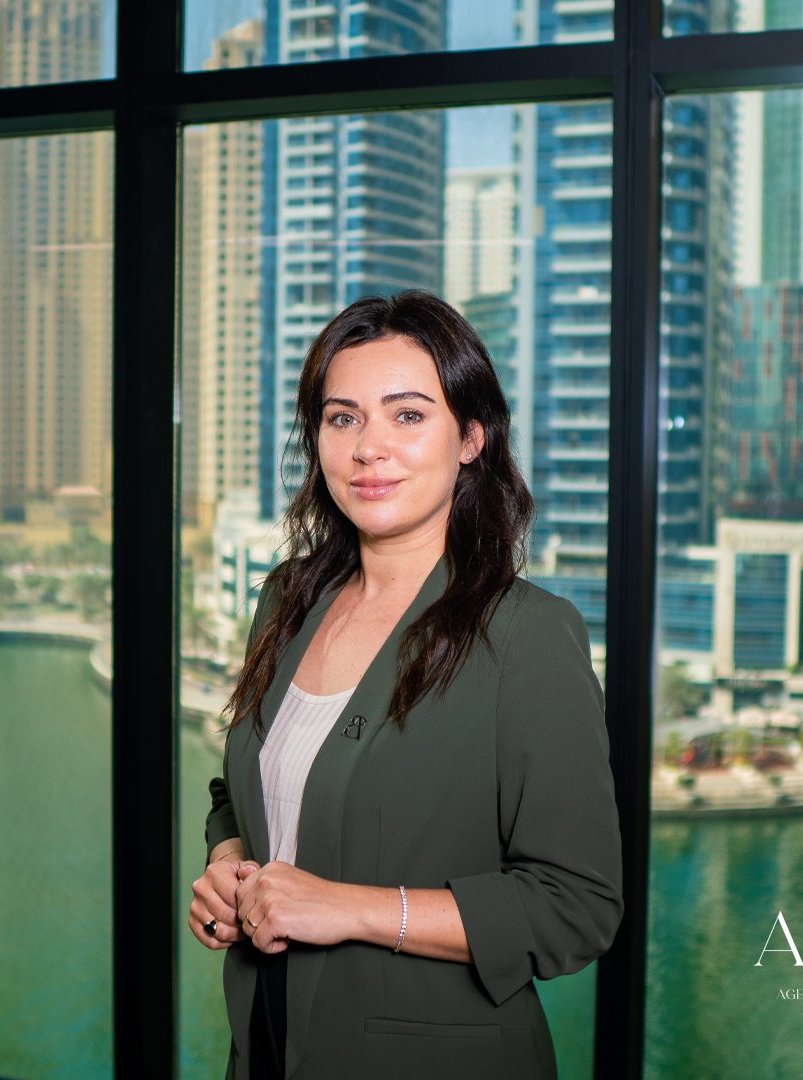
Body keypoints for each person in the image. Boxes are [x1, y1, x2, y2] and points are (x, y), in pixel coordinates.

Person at [189, 290, 623, 1080]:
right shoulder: (288, 598)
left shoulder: (526, 636)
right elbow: (244, 786)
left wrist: (351, 908)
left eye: (409, 415)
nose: (369, 448)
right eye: (343, 418)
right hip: (265, 1048)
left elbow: (576, 907)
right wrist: (231, 862)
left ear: (472, 438)